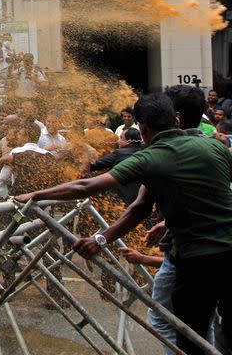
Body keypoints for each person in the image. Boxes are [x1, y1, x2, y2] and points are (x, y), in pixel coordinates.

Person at [16, 93, 232, 355]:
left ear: (141, 127)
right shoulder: (216, 147)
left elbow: (87, 185)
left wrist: (37, 194)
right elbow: (142, 208)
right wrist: (104, 238)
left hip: (197, 263)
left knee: (192, 339)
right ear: (175, 119)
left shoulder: (149, 158)